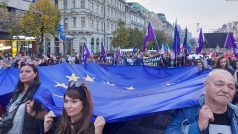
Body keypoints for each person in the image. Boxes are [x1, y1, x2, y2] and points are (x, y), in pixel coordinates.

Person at [165, 69, 238, 134]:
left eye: (231, 87)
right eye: (219, 84)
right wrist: (197, 126)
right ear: (205, 85)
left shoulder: (236, 112)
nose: (225, 90)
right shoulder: (187, 110)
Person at [0, 63, 46, 134]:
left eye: (28, 71)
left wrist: (33, 113)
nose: (23, 74)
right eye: (21, 72)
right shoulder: (16, 93)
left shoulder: (41, 93)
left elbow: (49, 116)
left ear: (35, 74)